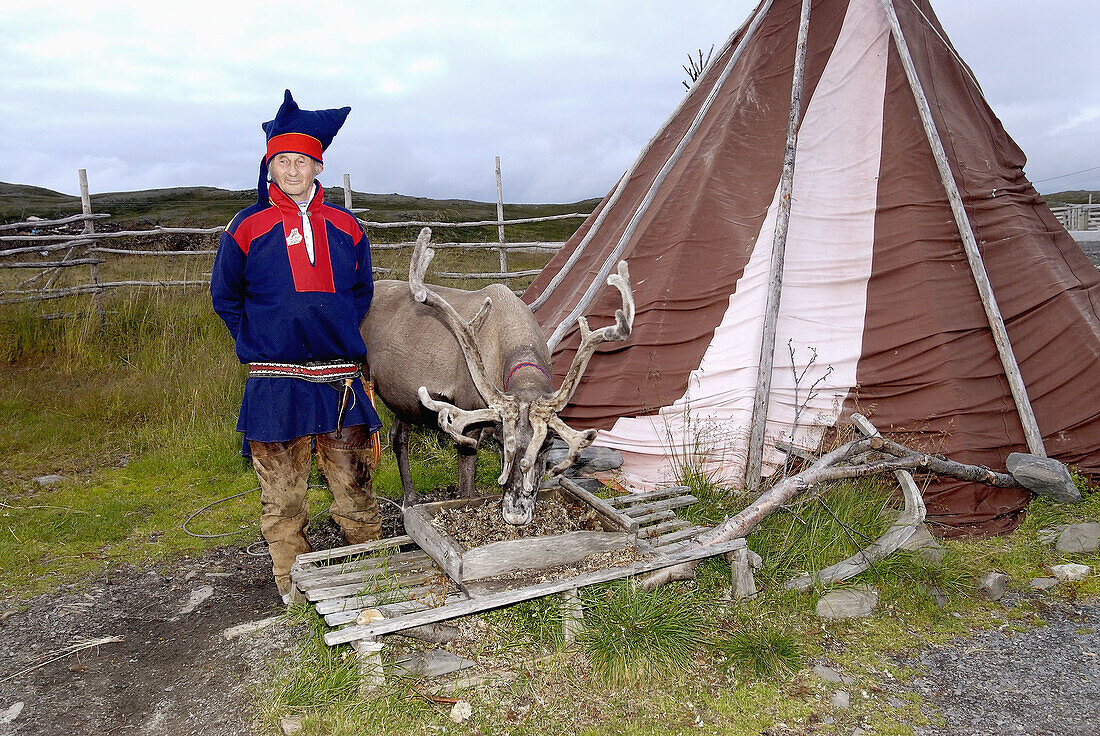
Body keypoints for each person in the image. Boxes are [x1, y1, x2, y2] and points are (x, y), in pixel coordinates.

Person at [211, 90, 382, 602]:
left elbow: (362, 292)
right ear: (270, 167)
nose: (292, 170)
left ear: (317, 166)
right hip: (274, 383)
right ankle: (295, 587)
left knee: (355, 489)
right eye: (282, 160)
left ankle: (369, 577)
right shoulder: (247, 227)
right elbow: (226, 296)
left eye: (301, 160)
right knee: (284, 498)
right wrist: (259, 338)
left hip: (339, 383)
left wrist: (335, 332)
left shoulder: (347, 227)